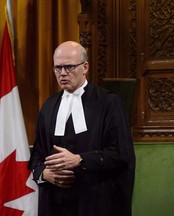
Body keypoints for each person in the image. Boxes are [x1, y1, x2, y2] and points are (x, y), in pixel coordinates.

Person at [28, 41, 135, 216]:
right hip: (55, 204)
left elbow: (121, 154)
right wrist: (44, 173)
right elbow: (36, 157)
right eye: (57, 68)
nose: (62, 73)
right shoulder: (48, 107)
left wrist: (80, 160)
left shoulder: (109, 103)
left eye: (69, 67)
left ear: (85, 67)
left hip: (95, 202)